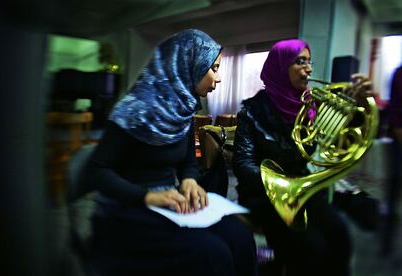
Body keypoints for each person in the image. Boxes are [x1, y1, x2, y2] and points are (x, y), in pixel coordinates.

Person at [85, 29, 258, 276]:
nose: (218, 79)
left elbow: (187, 162)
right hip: (129, 208)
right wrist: (148, 197)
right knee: (212, 254)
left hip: (170, 204)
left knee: (240, 236)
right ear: (189, 64)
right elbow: (96, 171)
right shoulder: (133, 110)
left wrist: (189, 180)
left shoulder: (182, 110)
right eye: (214, 69)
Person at [232, 39, 373, 276]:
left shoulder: (311, 106)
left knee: (339, 234)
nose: (308, 68)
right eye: (300, 61)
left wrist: (359, 107)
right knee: (310, 248)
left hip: (303, 190)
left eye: (309, 62)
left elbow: (341, 140)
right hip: (264, 195)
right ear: (280, 66)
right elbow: (243, 164)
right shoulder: (252, 111)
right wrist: (283, 185)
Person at [382, 64, 402, 254]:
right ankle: (386, 242)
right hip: (400, 139)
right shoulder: (399, 73)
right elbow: (395, 109)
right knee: (394, 187)